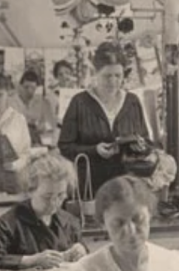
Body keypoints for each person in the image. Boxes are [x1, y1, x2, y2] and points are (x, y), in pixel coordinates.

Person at [0, 152, 86, 271]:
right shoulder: (9, 223)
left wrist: (82, 253)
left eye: (60, 195)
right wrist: (29, 260)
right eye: (47, 197)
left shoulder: (69, 221)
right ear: (30, 191)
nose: (54, 203)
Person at [58, 42, 151, 199]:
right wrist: (94, 150)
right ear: (95, 73)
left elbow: (147, 142)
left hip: (127, 187)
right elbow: (65, 147)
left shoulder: (132, 101)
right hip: (90, 187)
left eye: (118, 76)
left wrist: (140, 147)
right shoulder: (79, 102)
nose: (113, 81)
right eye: (107, 76)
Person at [11, 69, 58, 147]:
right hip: (16, 143)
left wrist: (41, 126)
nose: (29, 91)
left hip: (38, 143)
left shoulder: (43, 103)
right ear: (19, 87)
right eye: (26, 87)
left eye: (33, 88)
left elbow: (51, 125)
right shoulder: (11, 102)